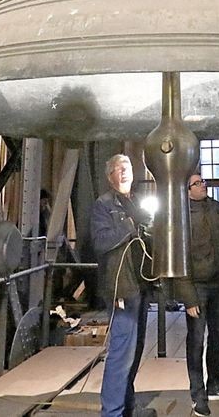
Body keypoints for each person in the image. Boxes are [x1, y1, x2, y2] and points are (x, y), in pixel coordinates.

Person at [173, 173, 219, 416]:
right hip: (197, 287)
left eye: (203, 182)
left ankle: (215, 383)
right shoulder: (180, 214)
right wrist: (188, 296)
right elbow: (179, 257)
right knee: (196, 341)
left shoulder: (215, 208)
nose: (203, 185)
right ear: (187, 189)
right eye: (197, 183)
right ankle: (198, 394)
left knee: (217, 337)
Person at [91, 155, 156, 417]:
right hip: (121, 287)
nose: (124, 172)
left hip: (139, 284)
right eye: (119, 169)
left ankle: (126, 407)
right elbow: (100, 241)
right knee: (120, 354)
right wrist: (129, 226)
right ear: (110, 177)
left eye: (127, 167)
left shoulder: (137, 202)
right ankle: (112, 412)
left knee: (135, 351)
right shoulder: (104, 205)